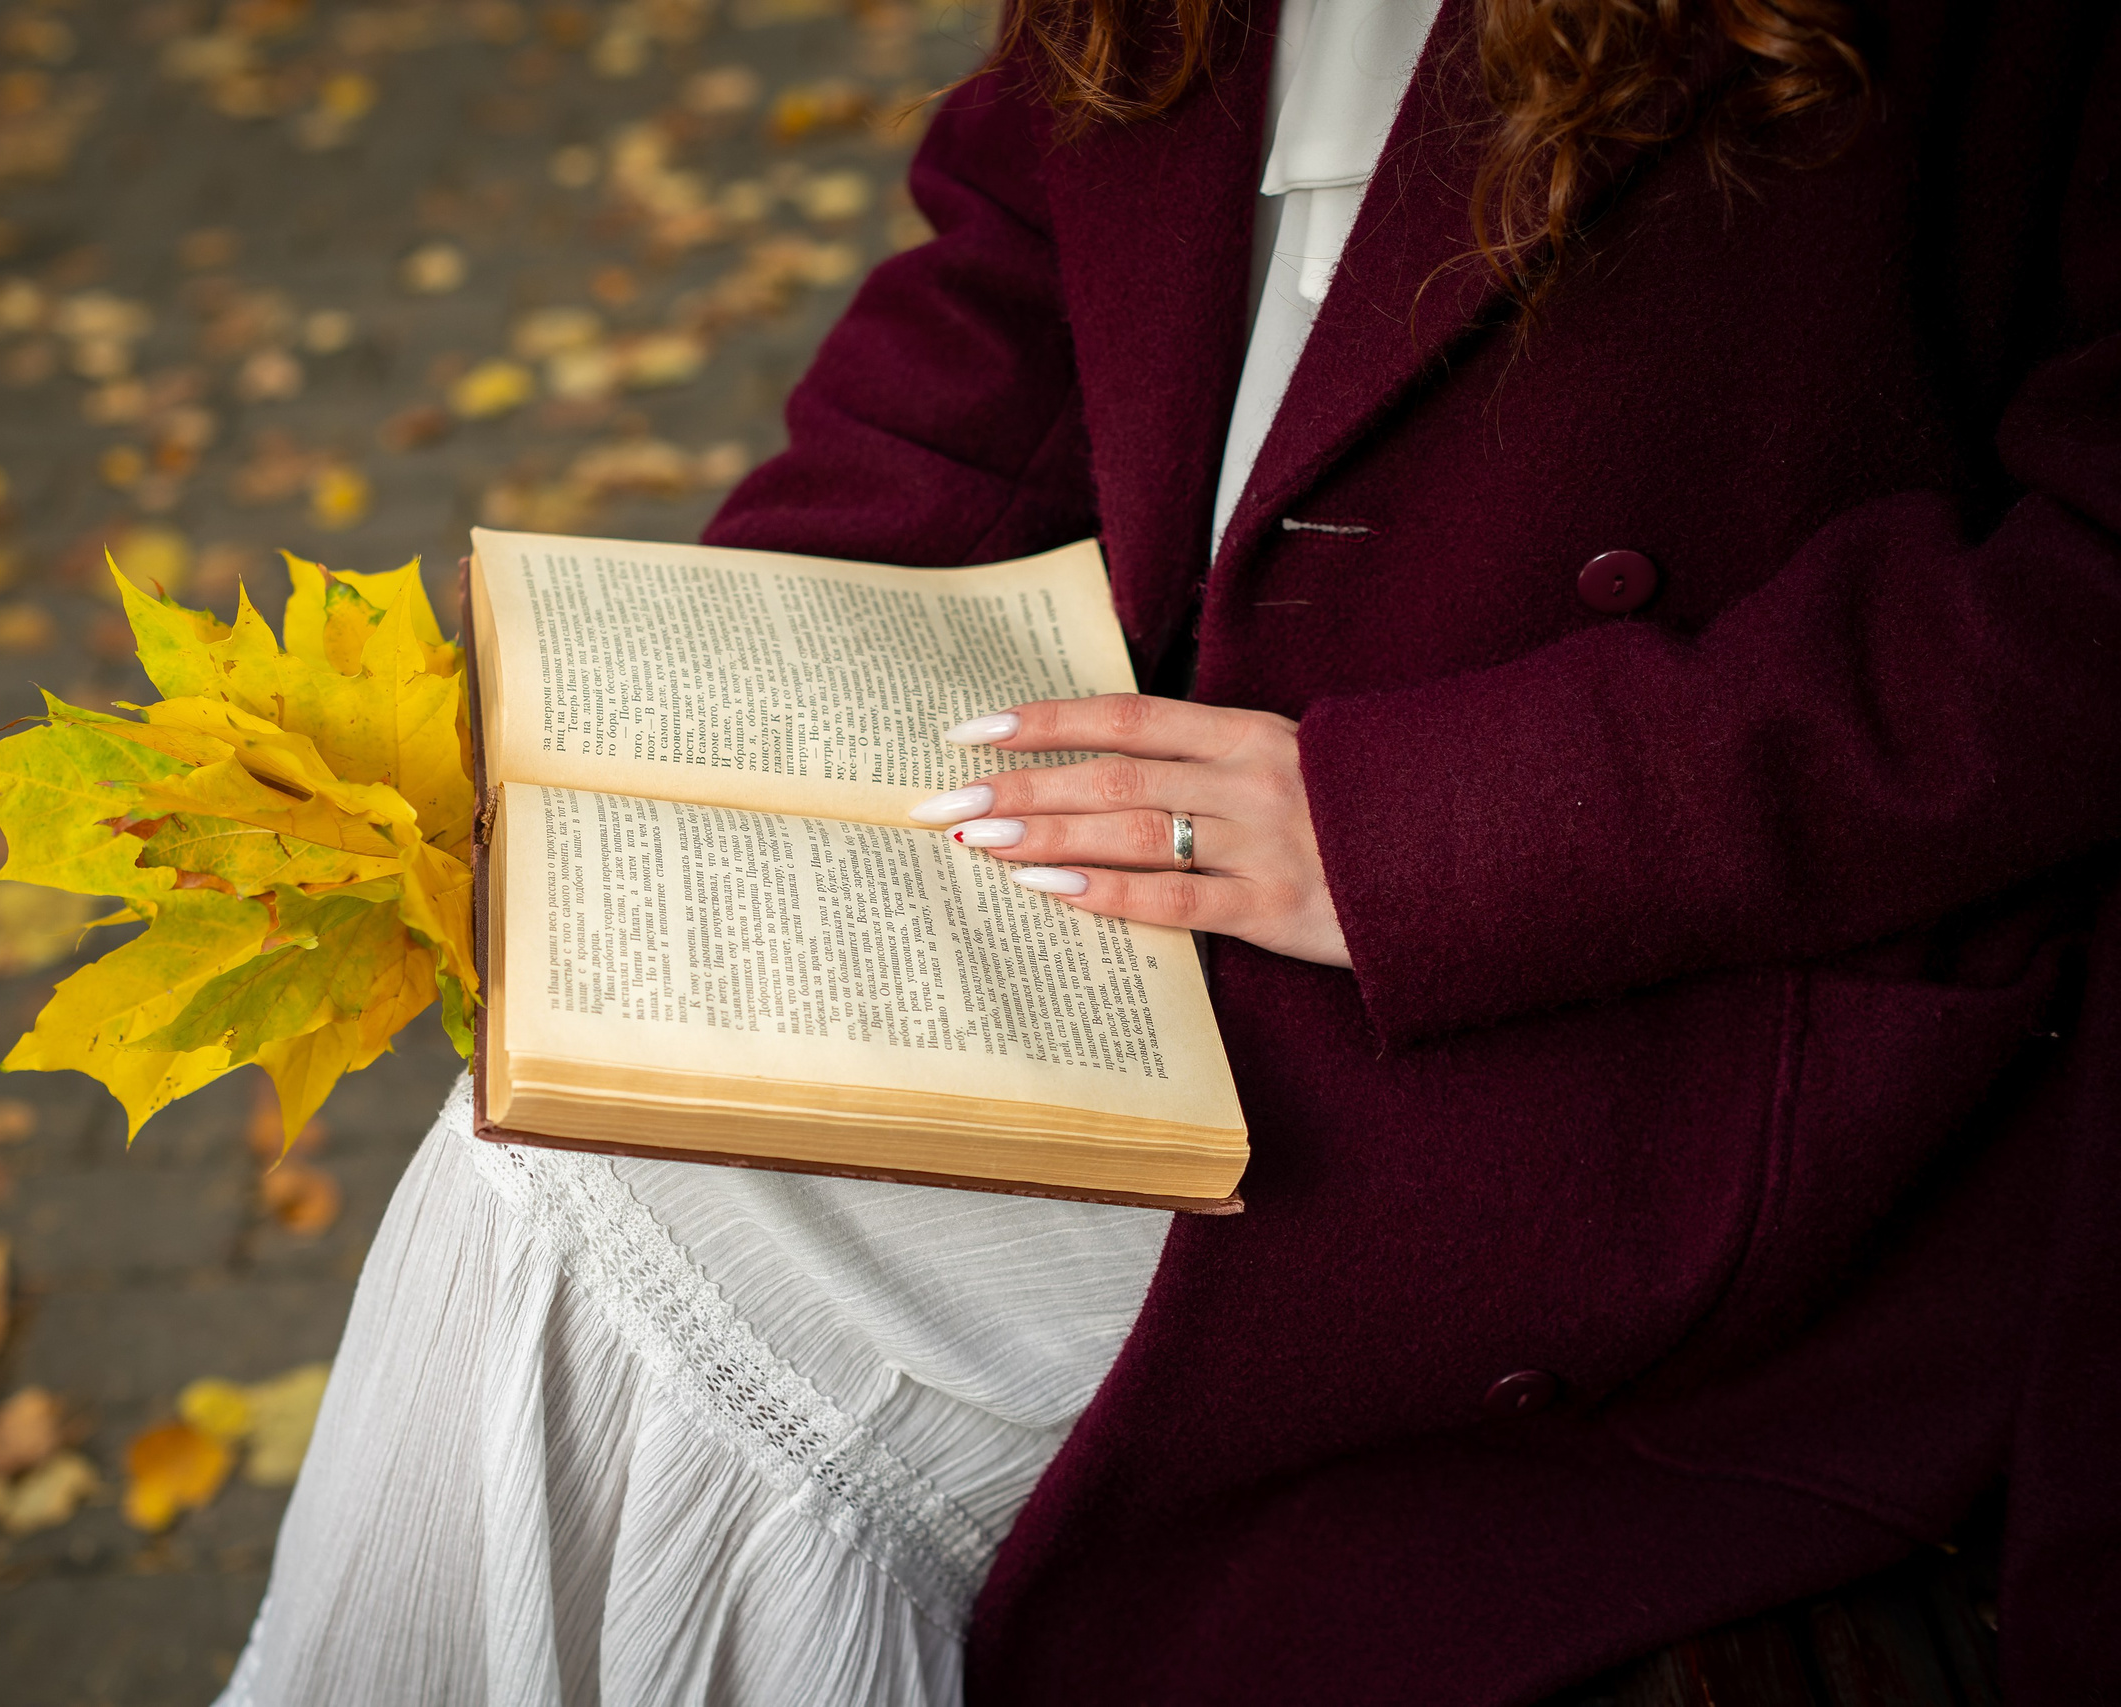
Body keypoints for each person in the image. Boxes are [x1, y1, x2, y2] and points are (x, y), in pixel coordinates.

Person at [219, 0, 2121, 1696]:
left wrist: (1426, 823)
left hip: (1672, 976)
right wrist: (653, 717)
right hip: (1170, 834)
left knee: (624, 1230)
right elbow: (1010, 323)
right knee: (563, 1142)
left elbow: (2084, 594)